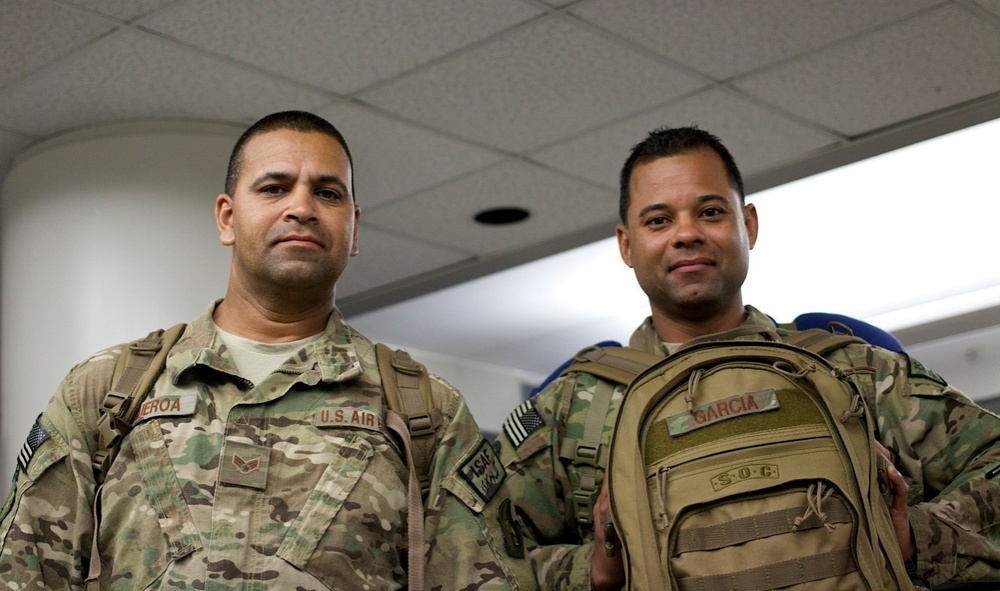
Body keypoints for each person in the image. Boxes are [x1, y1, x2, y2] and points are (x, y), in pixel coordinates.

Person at [0, 111, 533, 590]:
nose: (301, 207)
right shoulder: (108, 389)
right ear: (227, 218)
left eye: (327, 193)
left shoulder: (424, 411)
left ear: (354, 230)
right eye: (275, 188)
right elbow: (23, 571)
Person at [496, 125, 1000, 590]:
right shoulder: (571, 412)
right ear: (627, 245)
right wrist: (595, 570)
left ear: (749, 225)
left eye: (710, 212)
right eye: (658, 219)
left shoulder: (856, 373)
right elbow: (467, 555)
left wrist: (915, 535)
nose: (686, 232)